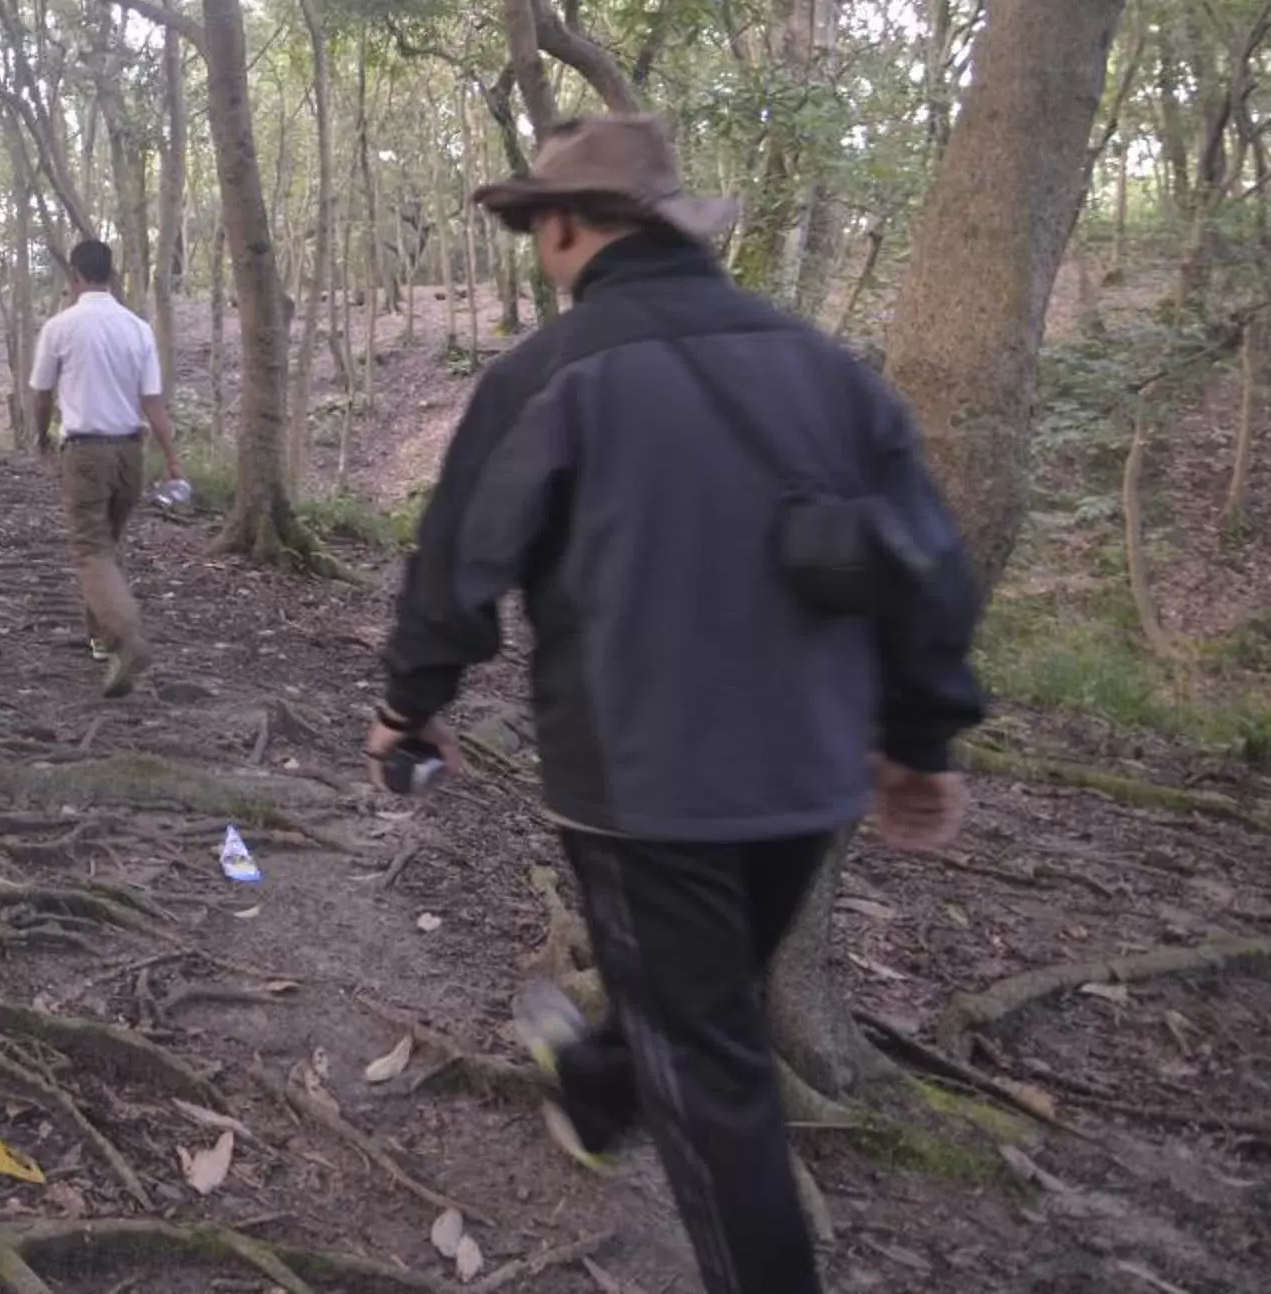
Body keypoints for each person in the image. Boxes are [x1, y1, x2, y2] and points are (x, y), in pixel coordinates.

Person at [367, 112, 986, 1294]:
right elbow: (931, 564)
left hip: (644, 786)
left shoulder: (548, 374)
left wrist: (411, 707)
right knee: (696, 1007)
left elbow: (457, 565)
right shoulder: (826, 369)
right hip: (809, 778)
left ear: (557, 229)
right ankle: (595, 1091)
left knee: (711, 1062)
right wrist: (921, 737)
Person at [28, 238, 184, 697]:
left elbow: (42, 393)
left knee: (90, 549)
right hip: (129, 454)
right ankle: (99, 639)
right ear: (111, 275)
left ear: (74, 277)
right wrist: (172, 459)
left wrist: (39, 436)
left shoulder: (61, 327)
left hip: (86, 452)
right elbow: (152, 403)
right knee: (106, 545)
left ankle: (126, 637)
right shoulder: (136, 329)